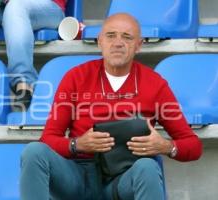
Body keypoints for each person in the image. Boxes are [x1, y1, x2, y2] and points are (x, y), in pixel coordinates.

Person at [20, 13, 203, 200]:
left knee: (148, 167)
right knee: (34, 152)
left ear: (139, 45)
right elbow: (48, 139)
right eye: (111, 35)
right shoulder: (76, 77)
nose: (118, 42)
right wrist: (77, 144)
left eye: (127, 37)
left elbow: (193, 145)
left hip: (123, 177)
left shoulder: (155, 84)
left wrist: (165, 146)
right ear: (100, 41)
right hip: (78, 175)